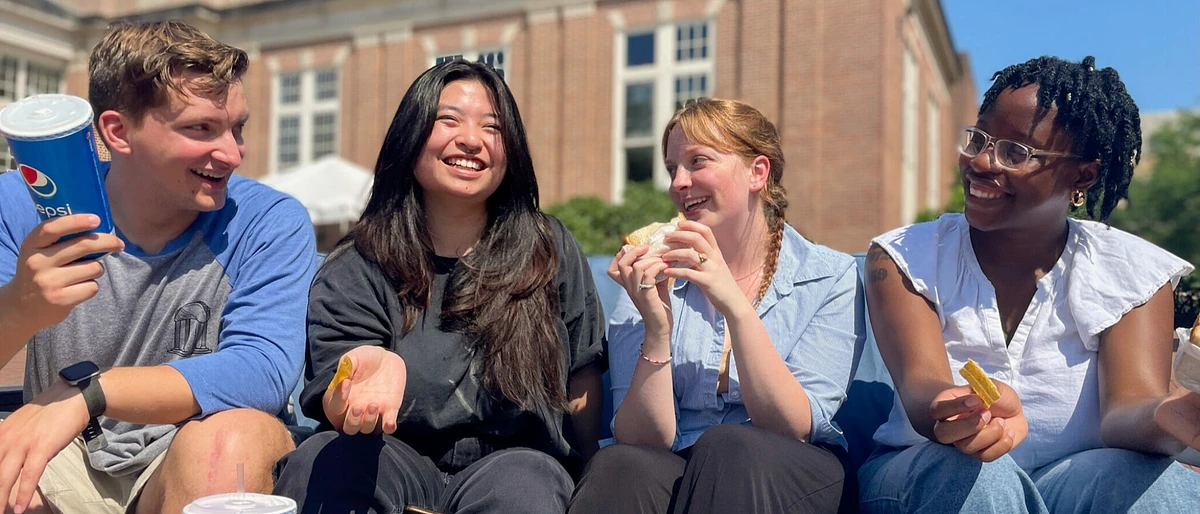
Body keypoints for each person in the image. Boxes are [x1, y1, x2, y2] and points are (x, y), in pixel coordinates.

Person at [858, 55, 1200, 513]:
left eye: (1015, 153)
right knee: (978, 478)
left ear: (1083, 175)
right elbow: (923, 389)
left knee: (1148, 481)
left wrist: (1171, 417)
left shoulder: (1132, 271)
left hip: (1070, 481)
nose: (981, 161)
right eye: (979, 137)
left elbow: (1126, 411)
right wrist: (966, 410)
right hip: (921, 475)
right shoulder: (903, 256)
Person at [0, 20, 315, 514]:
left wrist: (91, 394)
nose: (233, 154)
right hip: (58, 455)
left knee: (234, 437)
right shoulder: (26, 204)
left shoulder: (268, 220)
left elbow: (263, 370)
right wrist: (20, 306)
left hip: (184, 452)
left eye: (237, 127)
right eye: (201, 129)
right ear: (118, 132)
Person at [271, 60, 606, 514]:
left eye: (493, 127)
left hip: (514, 462)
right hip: (387, 453)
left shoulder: (548, 248)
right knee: (320, 461)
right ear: (410, 136)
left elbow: (582, 375)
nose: (471, 139)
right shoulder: (359, 260)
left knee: (525, 487)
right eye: (448, 120)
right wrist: (355, 380)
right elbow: (337, 392)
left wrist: (586, 474)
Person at [568, 98, 862, 514]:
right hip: (683, 464)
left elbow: (793, 427)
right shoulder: (650, 275)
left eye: (697, 162)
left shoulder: (829, 276)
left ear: (757, 172)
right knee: (619, 465)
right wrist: (657, 329)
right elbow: (641, 440)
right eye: (673, 169)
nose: (678, 183)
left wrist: (734, 306)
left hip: (793, 471)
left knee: (729, 447)